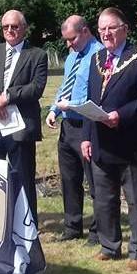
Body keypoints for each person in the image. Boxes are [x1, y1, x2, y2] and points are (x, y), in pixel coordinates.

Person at [81, 7, 137, 271]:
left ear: (124, 28)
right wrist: (86, 137)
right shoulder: (96, 59)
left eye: (111, 28)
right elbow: (92, 99)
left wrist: (121, 115)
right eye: (102, 29)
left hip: (130, 143)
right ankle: (109, 245)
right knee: (104, 198)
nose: (106, 33)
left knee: (136, 199)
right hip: (101, 142)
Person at [0, 9, 48, 220]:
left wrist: (6, 98)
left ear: (24, 28)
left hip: (20, 129)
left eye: (15, 26)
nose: (10, 30)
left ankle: (27, 223)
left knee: (23, 178)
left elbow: (37, 88)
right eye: (6, 27)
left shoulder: (37, 55)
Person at [45, 15, 103, 243]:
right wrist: (54, 110)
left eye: (72, 39)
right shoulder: (72, 57)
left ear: (86, 31)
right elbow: (64, 86)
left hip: (87, 126)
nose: (69, 44)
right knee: (69, 180)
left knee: (95, 181)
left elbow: (97, 95)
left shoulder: (99, 55)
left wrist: (72, 106)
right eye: (66, 40)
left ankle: (99, 231)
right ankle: (72, 227)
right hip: (67, 126)